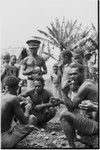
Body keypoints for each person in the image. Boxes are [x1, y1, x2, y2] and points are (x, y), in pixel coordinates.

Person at [60, 63, 98, 148]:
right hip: (94, 120)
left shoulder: (86, 86)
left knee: (64, 115)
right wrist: (62, 101)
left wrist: (64, 93)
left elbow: (71, 107)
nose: (72, 76)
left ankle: (72, 146)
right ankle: (76, 140)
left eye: (75, 74)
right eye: (70, 74)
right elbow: (75, 105)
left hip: (96, 124)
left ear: (82, 73)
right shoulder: (87, 82)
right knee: (70, 112)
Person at [1, 76, 38, 148]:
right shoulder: (13, 99)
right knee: (32, 119)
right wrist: (27, 109)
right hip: (3, 140)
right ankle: (11, 144)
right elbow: (25, 121)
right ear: (17, 87)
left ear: (5, 85)